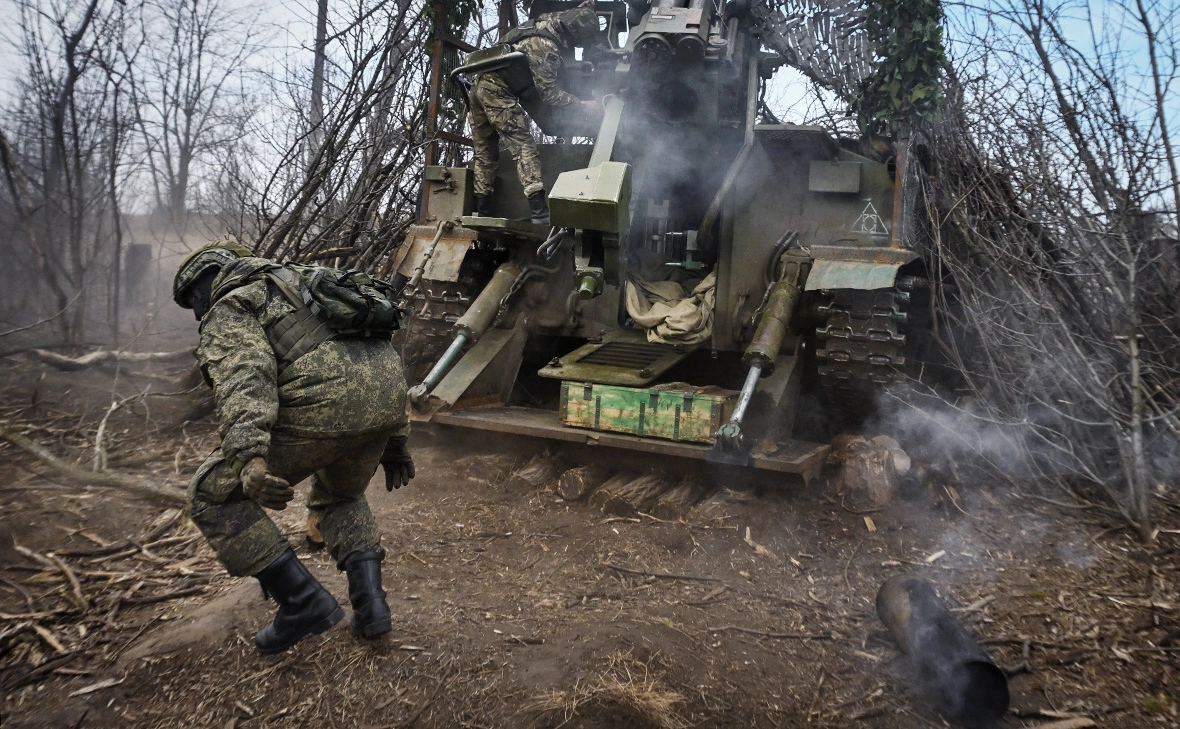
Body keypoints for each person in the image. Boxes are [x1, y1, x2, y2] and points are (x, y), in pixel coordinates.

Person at [172, 241, 416, 654]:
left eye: (194, 298)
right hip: (386, 404)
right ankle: (372, 609)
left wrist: (249, 458)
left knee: (210, 495)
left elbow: (245, 379)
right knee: (342, 495)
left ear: (209, 278)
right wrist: (395, 439)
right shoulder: (305, 282)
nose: (197, 312)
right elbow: (376, 353)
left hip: (325, 406)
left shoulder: (235, 303)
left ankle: (302, 603)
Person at [469, 6, 603, 225]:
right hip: (496, 89)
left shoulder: (542, 24)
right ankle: (540, 213)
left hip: (479, 86)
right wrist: (584, 105)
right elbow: (550, 95)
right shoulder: (546, 47)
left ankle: (481, 213)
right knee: (524, 147)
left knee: (485, 153)